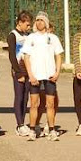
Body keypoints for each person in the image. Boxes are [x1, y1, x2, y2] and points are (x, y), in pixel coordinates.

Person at [22, 11, 63, 141]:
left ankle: (51, 129)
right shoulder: (31, 38)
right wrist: (30, 75)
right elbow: (26, 57)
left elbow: (58, 55)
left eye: (41, 20)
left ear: (46, 23)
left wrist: (57, 72)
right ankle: (33, 129)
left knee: (50, 103)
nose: (39, 22)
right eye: (37, 20)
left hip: (49, 75)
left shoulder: (53, 38)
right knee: (34, 103)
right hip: (35, 76)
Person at [7, 11, 32, 137]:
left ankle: (22, 122)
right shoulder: (13, 35)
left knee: (26, 97)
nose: (29, 27)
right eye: (27, 25)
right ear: (20, 22)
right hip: (18, 70)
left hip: (28, 69)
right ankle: (20, 124)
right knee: (19, 97)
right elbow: (11, 55)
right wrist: (18, 72)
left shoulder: (28, 35)